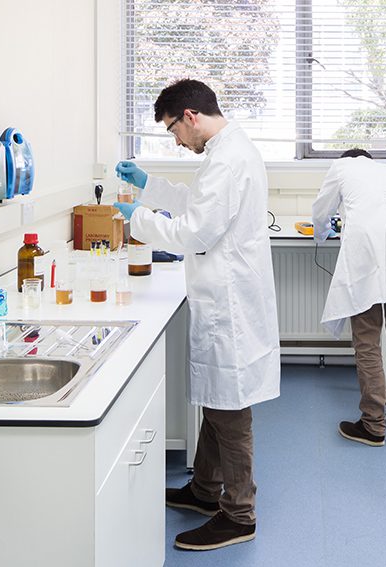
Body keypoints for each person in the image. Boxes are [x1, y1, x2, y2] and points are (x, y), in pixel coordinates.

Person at [113, 79, 280, 551]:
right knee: (217, 400)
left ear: (190, 116)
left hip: (229, 301)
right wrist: (151, 188)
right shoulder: (227, 153)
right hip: (225, 292)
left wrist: (136, 219)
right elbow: (200, 204)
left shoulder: (227, 159)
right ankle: (205, 491)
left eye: (172, 131)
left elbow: (196, 232)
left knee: (229, 408)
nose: (176, 141)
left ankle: (239, 513)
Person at [312, 149, 386, 447]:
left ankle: (372, 423)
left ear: (347, 158)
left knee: (367, 339)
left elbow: (321, 211)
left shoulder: (340, 167)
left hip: (365, 248)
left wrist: (321, 233)